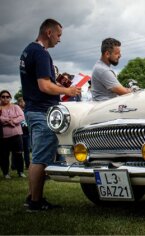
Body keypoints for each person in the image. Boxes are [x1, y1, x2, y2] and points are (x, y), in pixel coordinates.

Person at [19, 18, 81, 212]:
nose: (59, 39)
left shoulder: (28, 50)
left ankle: (32, 197)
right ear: (48, 32)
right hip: (41, 110)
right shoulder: (41, 53)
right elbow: (44, 86)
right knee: (40, 157)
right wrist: (67, 91)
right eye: (59, 35)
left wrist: (58, 82)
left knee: (37, 155)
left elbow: (40, 82)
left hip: (32, 108)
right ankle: (35, 202)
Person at [0, 90, 26, 179]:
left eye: (7, 97)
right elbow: (0, 119)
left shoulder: (15, 106)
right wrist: (9, 120)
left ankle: (21, 172)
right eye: (3, 96)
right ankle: (6, 173)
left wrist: (13, 121)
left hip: (16, 135)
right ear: (0, 98)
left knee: (18, 154)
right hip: (3, 136)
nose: (5, 98)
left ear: (10, 98)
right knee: (4, 155)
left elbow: (22, 116)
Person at [17, 97, 31, 168]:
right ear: (19, 103)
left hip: (26, 132)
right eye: (23, 101)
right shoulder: (17, 111)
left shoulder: (27, 110)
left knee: (27, 150)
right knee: (18, 150)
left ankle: (28, 164)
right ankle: (15, 165)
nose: (24, 103)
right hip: (19, 132)